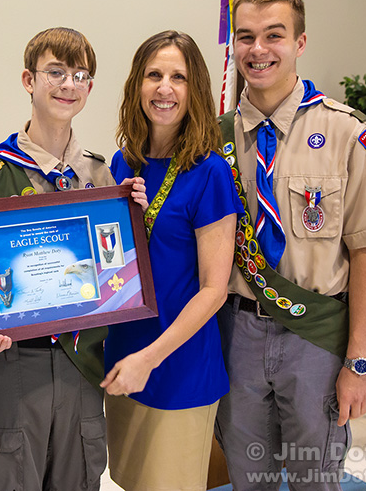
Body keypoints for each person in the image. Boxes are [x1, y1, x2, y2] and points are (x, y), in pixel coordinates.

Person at [214, 0, 366, 490]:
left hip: (316, 338)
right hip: (237, 336)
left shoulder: (348, 132)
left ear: (300, 42)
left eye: (274, 35)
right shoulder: (213, 140)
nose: (258, 50)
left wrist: (360, 361)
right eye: (246, 37)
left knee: (314, 479)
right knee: (246, 478)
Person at [0, 27, 146, 491]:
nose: (68, 84)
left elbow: (119, 271)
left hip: (83, 361)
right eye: (55, 72)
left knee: (80, 478)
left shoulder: (105, 177)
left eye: (80, 75)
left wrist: (135, 214)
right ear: (28, 80)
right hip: (13, 366)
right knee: (9, 478)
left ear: (90, 88)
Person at [101, 30, 243, 491]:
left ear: (195, 89)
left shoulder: (210, 172)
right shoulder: (123, 164)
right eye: (154, 74)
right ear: (136, 85)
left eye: (178, 77)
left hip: (177, 366)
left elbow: (214, 291)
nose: (165, 88)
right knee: (128, 480)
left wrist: (150, 358)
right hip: (124, 355)